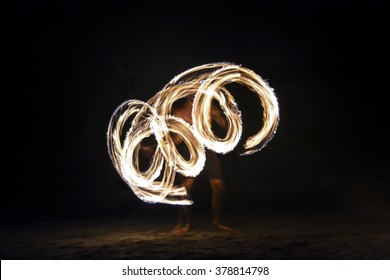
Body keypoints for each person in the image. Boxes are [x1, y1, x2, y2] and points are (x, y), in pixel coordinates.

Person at [170, 94, 232, 234]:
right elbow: (175, 139)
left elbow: (223, 122)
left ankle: (216, 222)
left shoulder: (206, 107)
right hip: (188, 151)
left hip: (207, 149)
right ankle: (187, 223)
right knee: (186, 189)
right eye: (190, 96)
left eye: (195, 95)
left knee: (219, 187)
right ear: (185, 97)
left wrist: (223, 119)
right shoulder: (177, 112)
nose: (193, 98)